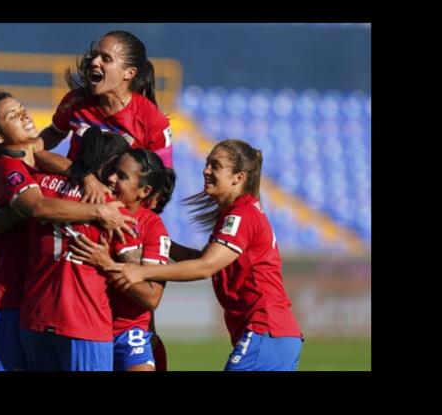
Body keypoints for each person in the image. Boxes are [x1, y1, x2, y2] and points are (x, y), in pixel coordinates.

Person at [76, 139, 304, 371]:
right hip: (273, 334)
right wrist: (158, 241)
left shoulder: (242, 215)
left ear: (238, 178)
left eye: (215, 166)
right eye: (207, 163)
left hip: (265, 328)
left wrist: (141, 271)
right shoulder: (239, 213)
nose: (206, 170)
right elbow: (204, 259)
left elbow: (206, 267)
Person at [0, 91, 136, 371]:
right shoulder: (8, 166)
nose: (24, 116)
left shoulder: (36, 162)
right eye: (13, 116)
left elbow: (48, 151)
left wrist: (87, 177)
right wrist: (100, 211)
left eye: (22, 109)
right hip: (4, 302)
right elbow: (39, 208)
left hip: (31, 305)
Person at [36, 30, 174, 205]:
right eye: (95, 55)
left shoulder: (153, 120)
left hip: (117, 209)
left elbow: (162, 179)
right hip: (73, 195)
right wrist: (30, 150)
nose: (94, 62)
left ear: (129, 73)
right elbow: (55, 133)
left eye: (106, 59)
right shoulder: (75, 101)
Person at [68, 149, 175, 371]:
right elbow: (40, 154)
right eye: (113, 171)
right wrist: (87, 178)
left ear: (144, 191)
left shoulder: (152, 227)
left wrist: (107, 264)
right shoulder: (90, 206)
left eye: (122, 176)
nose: (111, 179)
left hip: (128, 331)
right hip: (84, 327)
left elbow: (151, 298)